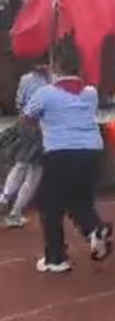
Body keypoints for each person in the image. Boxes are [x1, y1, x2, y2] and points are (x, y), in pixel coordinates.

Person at [20, 44, 112, 273]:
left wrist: (41, 123)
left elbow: (26, 117)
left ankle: (56, 258)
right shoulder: (90, 93)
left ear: (55, 66)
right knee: (80, 200)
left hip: (61, 153)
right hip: (91, 153)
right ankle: (95, 228)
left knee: (49, 206)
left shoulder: (45, 93)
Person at [0, 60, 49, 228]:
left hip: (25, 123)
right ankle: (15, 211)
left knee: (22, 164)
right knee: (35, 171)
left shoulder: (25, 79)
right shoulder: (50, 81)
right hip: (40, 126)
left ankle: (4, 198)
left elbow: (19, 103)